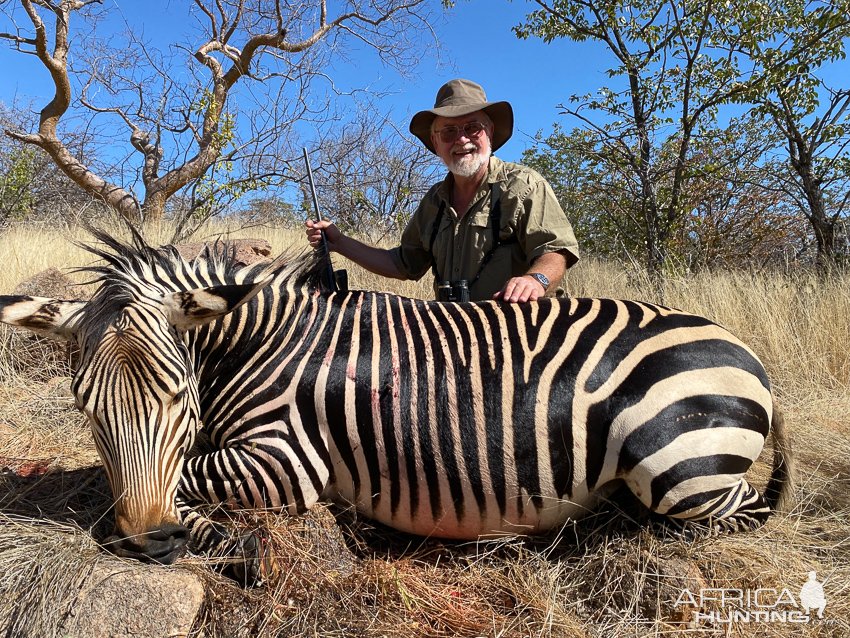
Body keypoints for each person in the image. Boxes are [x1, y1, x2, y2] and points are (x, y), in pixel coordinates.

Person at [306, 78, 579, 303]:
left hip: (524, 334)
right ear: (436, 143)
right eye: (448, 132)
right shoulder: (434, 202)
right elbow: (402, 264)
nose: (461, 139)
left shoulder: (524, 185)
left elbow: (556, 250)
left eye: (472, 128)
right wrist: (339, 242)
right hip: (456, 335)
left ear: (490, 133)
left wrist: (535, 280)